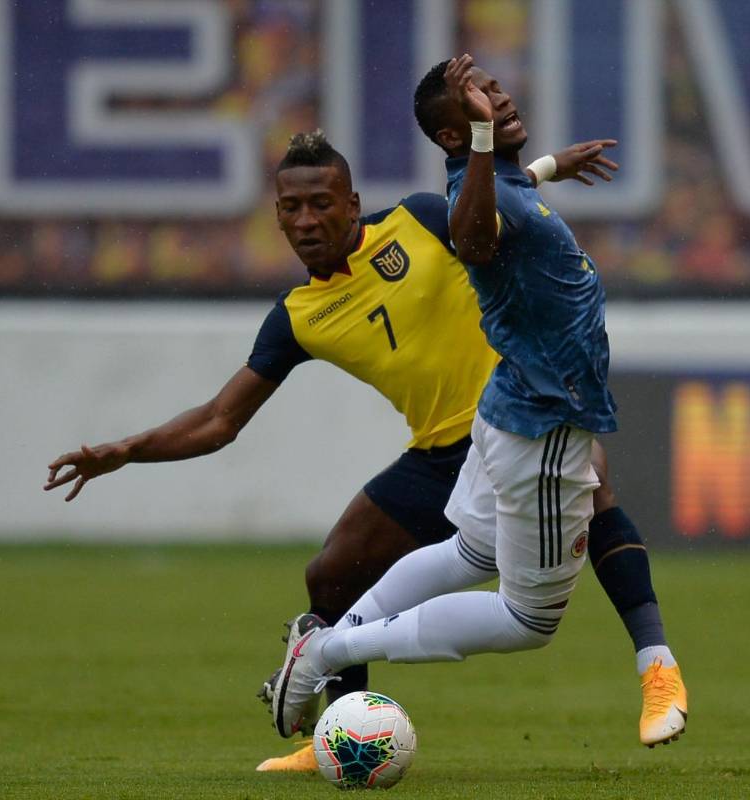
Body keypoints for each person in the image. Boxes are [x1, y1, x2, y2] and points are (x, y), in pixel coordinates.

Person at [45, 128, 678, 772]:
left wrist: (540, 168)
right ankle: (338, 737)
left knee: (594, 486)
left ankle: (656, 671)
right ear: (277, 219)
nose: (307, 219)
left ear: (352, 203)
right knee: (332, 572)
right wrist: (127, 450)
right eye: (291, 208)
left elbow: (481, 221)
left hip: (515, 419)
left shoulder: (417, 220)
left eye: (321, 202)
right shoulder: (298, 315)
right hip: (439, 455)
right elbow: (218, 420)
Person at [267, 56, 687, 755]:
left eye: (494, 88)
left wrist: (547, 163)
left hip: (504, 404)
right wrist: (492, 143)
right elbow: (476, 234)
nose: (502, 97)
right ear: (460, 138)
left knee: (467, 549)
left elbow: (495, 201)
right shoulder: (476, 193)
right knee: (528, 619)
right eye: (482, 101)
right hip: (542, 423)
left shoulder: (493, 180)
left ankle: (323, 643)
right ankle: (326, 655)